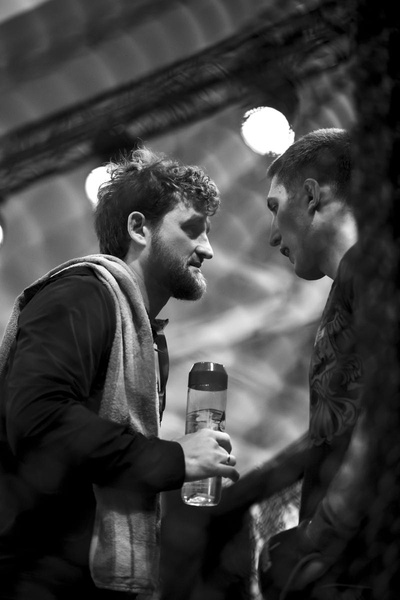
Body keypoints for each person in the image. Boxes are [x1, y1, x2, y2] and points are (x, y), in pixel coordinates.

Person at [0, 147, 239, 600]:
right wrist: (173, 459)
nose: (208, 249)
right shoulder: (81, 295)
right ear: (138, 228)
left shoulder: (144, 334)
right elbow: (36, 418)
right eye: (192, 229)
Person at [257, 128, 372, 599]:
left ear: (309, 196)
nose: (271, 236)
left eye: (274, 207)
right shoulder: (347, 284)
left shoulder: (372, 267)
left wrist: (321, 534)